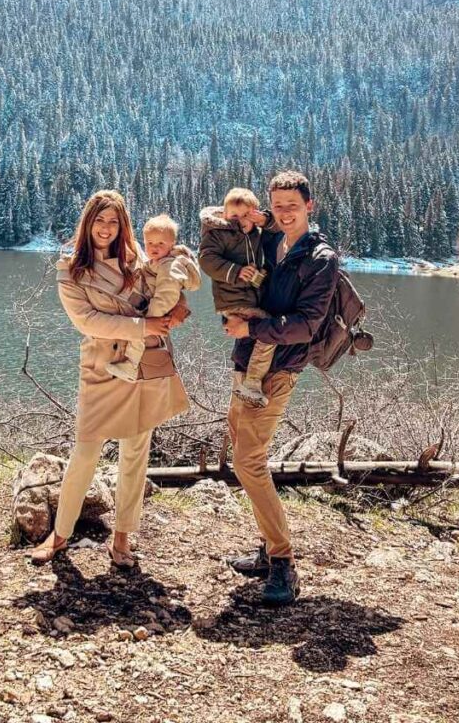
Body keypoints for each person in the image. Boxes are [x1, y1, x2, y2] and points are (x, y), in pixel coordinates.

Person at [29, 190, 190, 568]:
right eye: (100, 220)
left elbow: (167, 288)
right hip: (102, 367)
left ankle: (122, 538)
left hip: (141, 364)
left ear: (123, 226)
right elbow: (88, 322)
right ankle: (60, 534)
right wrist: (144, 324)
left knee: (135, 451)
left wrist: (178, 309)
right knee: (86, 450)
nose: (106, 228)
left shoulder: (137, 259)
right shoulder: (70, 269)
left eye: (113, 222)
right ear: (88, 223)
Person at [222, 171, 338, 605]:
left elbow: (307, 326)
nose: (286, 213)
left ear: (310, 206)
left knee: (248, 460)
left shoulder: (320, 259)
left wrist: (251, 325)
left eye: (294, 205)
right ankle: (268, 548)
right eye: (279, 205)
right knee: (241, 447)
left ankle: (283, 562)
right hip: (245, 360)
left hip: (280, 368)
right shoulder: (269, 240)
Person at [198, 188, 278, 408]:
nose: (240, 221)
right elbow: (206, 260)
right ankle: (251, 382)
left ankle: (240, 383)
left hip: (248, 297)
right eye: (234, 216)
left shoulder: (256, 234)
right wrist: (235, 271)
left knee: (247, 338)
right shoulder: (219, 232)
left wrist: (265, 219)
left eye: (246, 216)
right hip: (233, 299)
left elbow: (278, 227)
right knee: (267, 330)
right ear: (225, 215)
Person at [108, 213, 200, 382]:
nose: (153, 247)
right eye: (149, 243)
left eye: (160, 243)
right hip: (151, 310)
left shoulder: (168, 264)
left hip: (156, 312)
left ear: (172, 244)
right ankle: (131, 365)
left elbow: (168, 293)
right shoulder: (157, 261)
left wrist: (152, 316)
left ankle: (130, 365)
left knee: (139, 336)